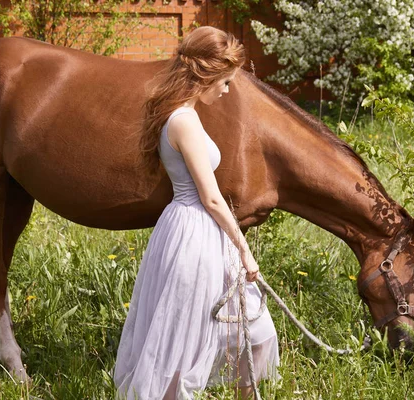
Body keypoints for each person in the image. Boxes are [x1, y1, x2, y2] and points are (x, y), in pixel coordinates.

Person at [113, 26, 280, 400]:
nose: (227, 89)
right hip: (194, 232)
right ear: (206, 74)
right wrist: (245, 250)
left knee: (250, 329)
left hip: (199, 229)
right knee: (182, 338)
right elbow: (213, 198)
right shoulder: (184, 121)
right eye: (225, 81)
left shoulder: (185, 113)